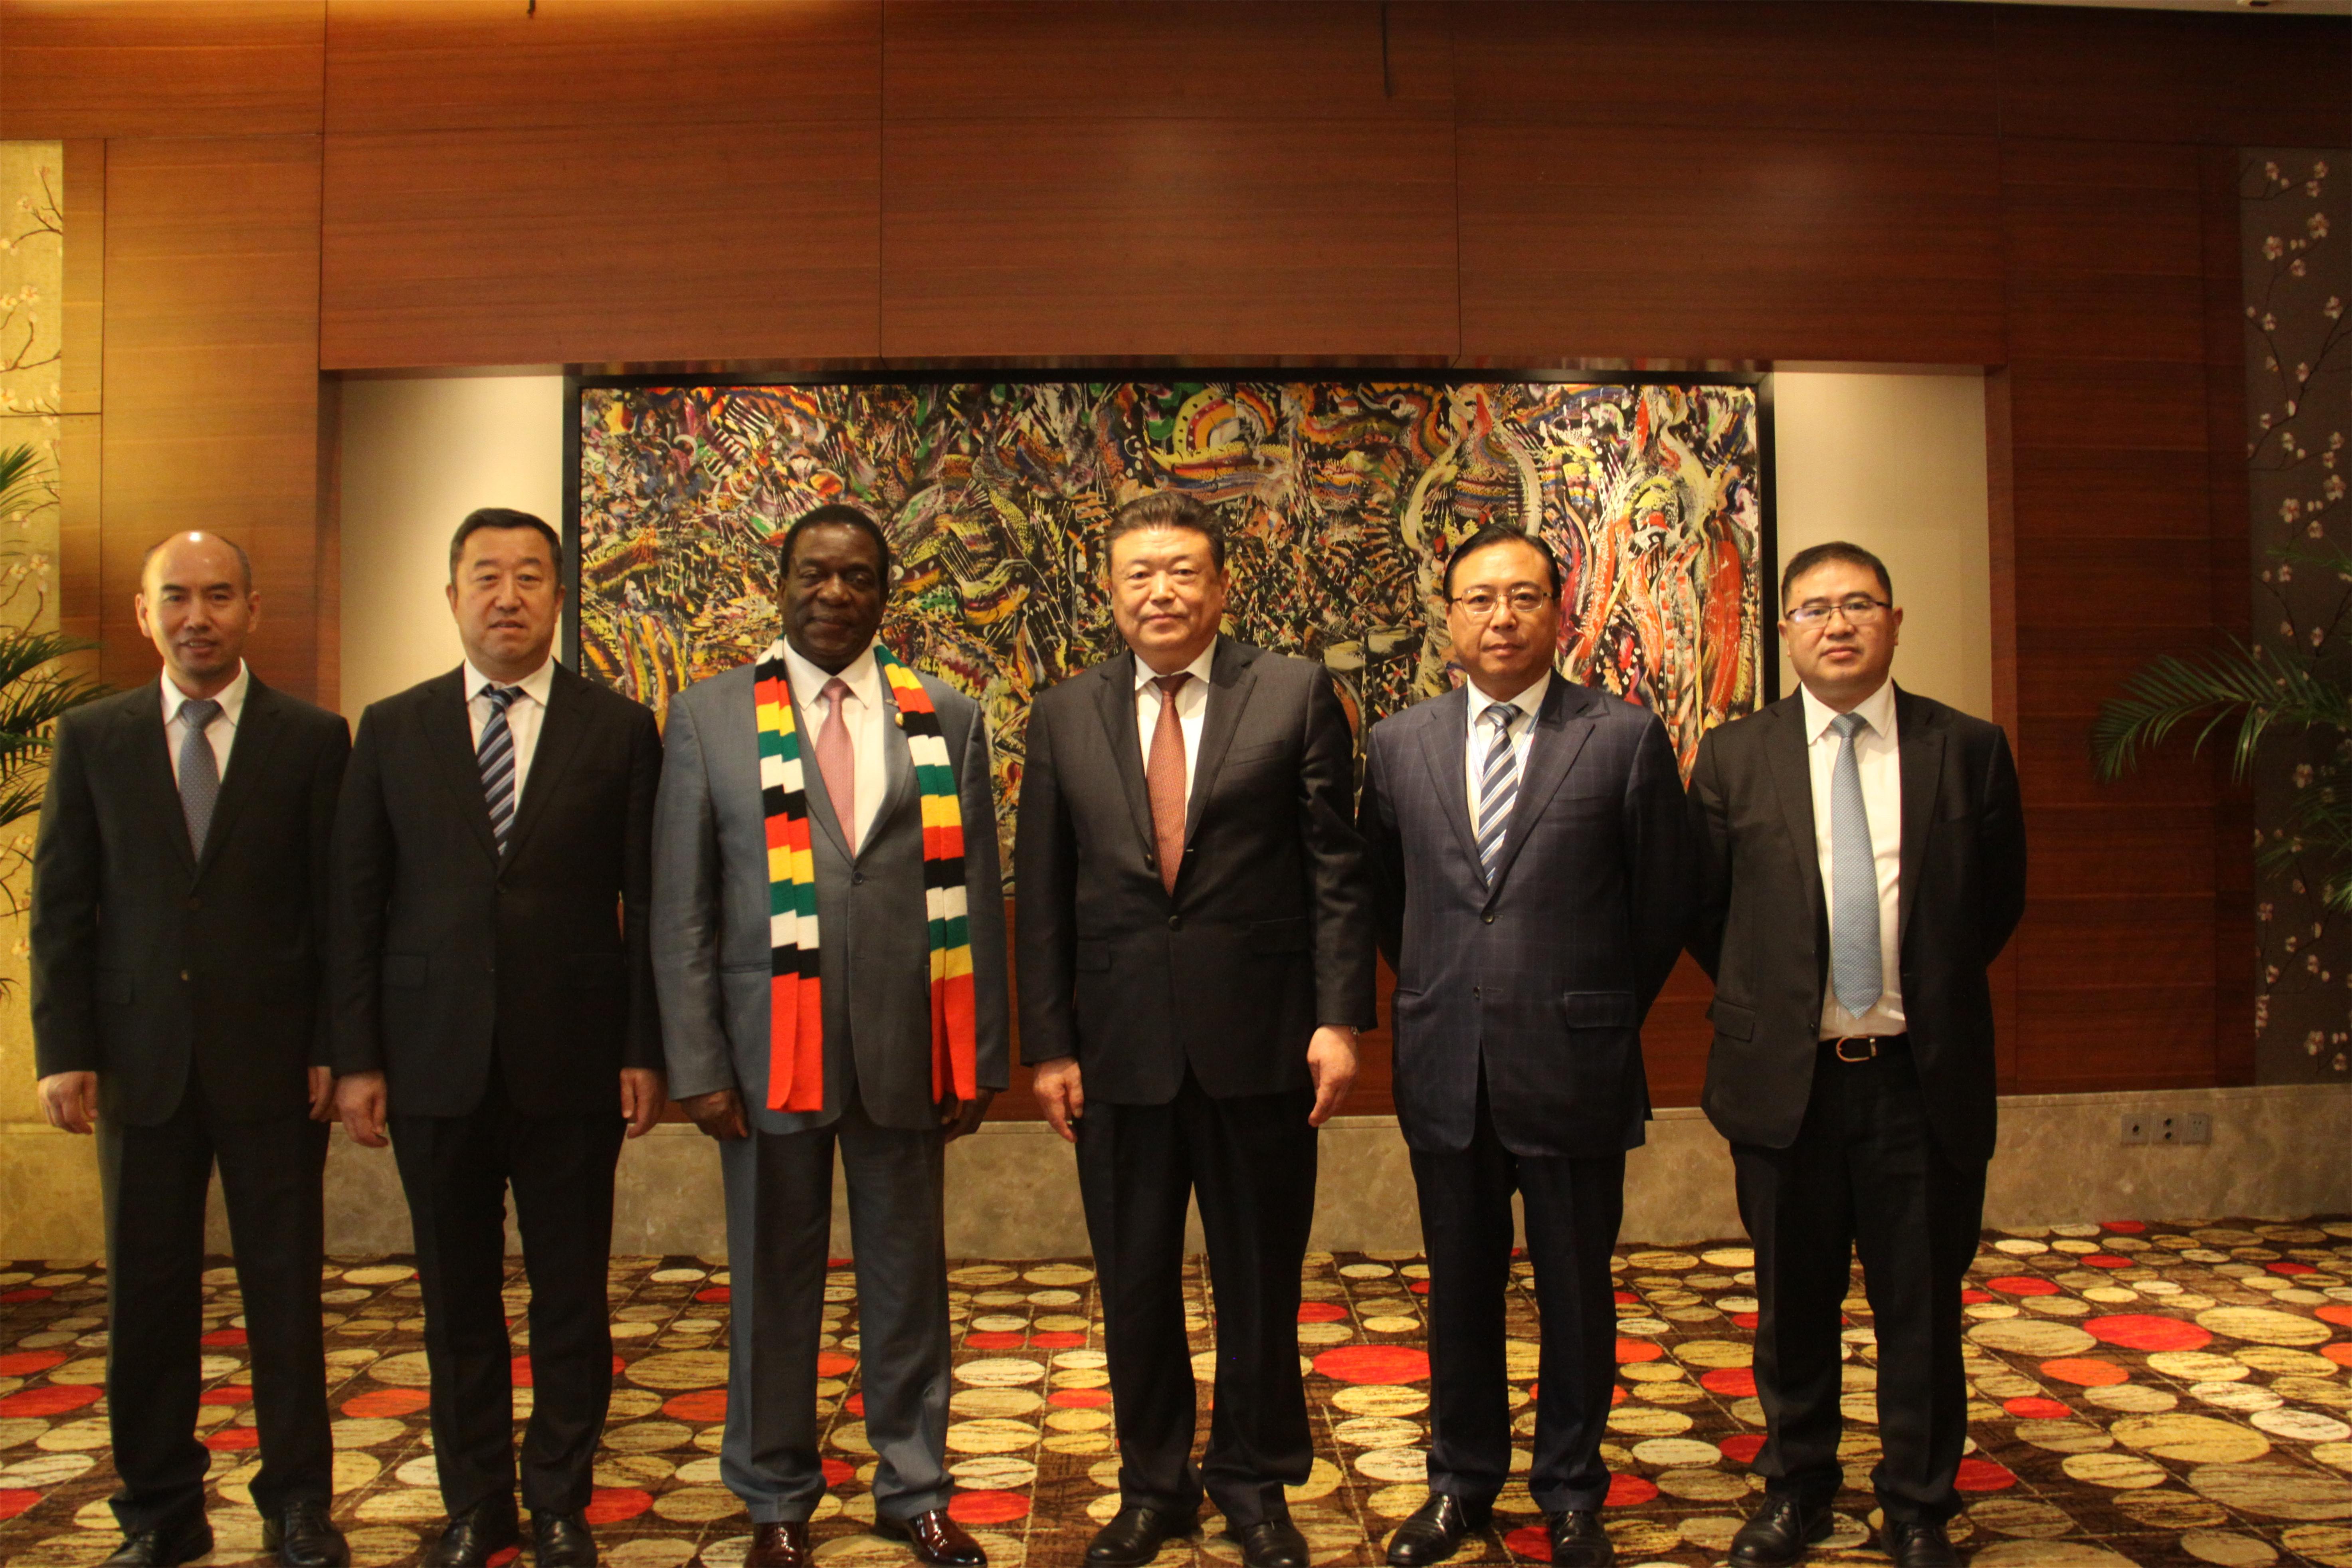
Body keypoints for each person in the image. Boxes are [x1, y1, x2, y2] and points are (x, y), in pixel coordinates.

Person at [1015, 490, 1377, 1568]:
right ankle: (1154, 1486)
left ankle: (1254, 1483)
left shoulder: (1294, 693)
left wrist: (1340, 1018)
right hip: (1117, 1046)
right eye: (1139, 573)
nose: (1161, 591)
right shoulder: (1063, 712)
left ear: (1221, 587)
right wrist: (1049, 1044)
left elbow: (1335, 871)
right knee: (1133, 1281)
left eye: (1182, 572)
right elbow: (1043, 889)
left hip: (1261, 1042)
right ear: (1110, 591)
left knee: (1260, 1278)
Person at [651, 502, 1010, 1568]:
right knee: (772, 1284)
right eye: (814, 574)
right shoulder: (709, 718)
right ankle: (775, 1496)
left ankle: (915, 1487)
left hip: (910, 1050)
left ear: (885, 594)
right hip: (767, 1057)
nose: (834, 594)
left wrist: (980, 1053)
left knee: (910, 1281)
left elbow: (977, 896)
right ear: (781, 584)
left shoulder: (946, 715)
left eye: (857, 577)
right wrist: (696, 1062)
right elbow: (683, 908)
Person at [330, 508, 665, 1568]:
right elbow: (356, 902)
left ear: (560, 596)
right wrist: (358, 1057)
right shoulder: (392, 728)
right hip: (431, 1060)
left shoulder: (619, 728)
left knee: (571, 1298)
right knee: (455, 1301)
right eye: (486, 576)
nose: (506, 596)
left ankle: (560, 1498)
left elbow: (650, 903)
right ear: (452, 596)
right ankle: (475, 1503)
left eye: (529, 576)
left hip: (574, 1060)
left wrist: (644, 1049)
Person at [1687, 541, 2026, 1568]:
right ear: (1783, 630)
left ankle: (1919, 1504)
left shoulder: (1966, 748)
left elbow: (1994, 903)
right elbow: (1707, 913)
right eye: (1814, 609)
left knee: (1920, 1306)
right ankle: (1797, 1491)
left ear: (1894, 620)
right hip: (1787, 1083)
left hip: (1919, 1080)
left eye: (1858, 604)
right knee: (1792, 1304)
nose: (1837, 624)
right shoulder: (1733, 756)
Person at [1356, 525, 1687, 1568]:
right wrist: (1454, 989)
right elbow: (1386, 897)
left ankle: (1572, 1492)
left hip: (1575, 1060)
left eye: (1523, 596)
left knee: (1576, 1290)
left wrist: (1592, 1006)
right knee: (1458, 1289)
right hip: (1446, 1060)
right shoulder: (1398, 745)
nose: (1500, 617)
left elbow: (1662, 904)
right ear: (1448, 617)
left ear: (1560, 610)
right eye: (1478, 599)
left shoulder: (1623, 737)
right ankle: (1459, 1483)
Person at [29, 532, 350, 1568]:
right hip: (139, 1063)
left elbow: (337, 911)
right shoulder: (94, 738)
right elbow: (62, 907)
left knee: (285, 1296)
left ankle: (298, 1503)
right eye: (176, 597)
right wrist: (63, 1048)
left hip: (276, 1066)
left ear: (254, 609)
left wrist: (334, 1041)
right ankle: (160, 1509)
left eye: (218, 596)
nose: (197, 617)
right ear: (144, 613)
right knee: (146, 1299)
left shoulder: (313, 739)